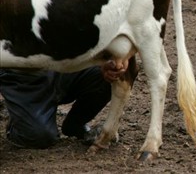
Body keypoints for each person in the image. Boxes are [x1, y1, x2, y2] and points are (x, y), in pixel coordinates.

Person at [0, 60, 129, 149]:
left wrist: (107, 59)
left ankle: (75, 124)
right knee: (39, 137)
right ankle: (17, 124)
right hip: (24, 74)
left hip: (62, 62)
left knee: (107, 73)